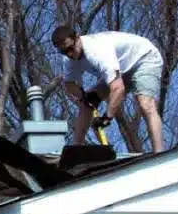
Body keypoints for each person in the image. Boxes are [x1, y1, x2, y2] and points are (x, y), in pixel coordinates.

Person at [52, 24, 165, 153]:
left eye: (71, 48)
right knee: (87, 102)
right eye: (64, 51)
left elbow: (118, 89)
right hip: (121, 70)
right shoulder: (69, 59)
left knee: (146, 105)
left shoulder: (96, 51)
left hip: (144, 59)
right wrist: (83, 97)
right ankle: (75, 151)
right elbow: (69, 84)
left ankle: (159, 152)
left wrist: (106, 118)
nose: (70, 54)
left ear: (77, 38)